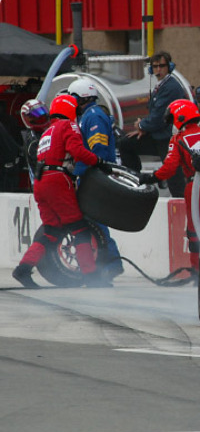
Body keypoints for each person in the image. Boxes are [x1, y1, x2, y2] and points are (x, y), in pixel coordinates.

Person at [12, 95, 114, 288]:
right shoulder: (67, 125)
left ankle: (22, 270)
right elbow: (77, 151)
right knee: (80, 228)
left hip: (41, 184)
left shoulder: (47, 132)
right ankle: (92, 277)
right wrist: (98, 161)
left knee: (51, 230)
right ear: (70, 110)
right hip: (57, 180)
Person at [138, 99, 200, 272]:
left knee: (194, 230)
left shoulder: (178, 139)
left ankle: (198, 271)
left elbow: (169, 168)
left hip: (196, 188)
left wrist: (151, 177)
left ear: (180, 118)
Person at [67, 78, 125, 282]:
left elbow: (97, 150)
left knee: (96, 222)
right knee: (93, 221)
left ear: (80, 97)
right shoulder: (89, 115)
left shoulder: (93, 116)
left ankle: (112, 264)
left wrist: (78, 171)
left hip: (96, 175)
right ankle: (108, 264)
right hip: (93, 173)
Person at [119, 51, 187, 197]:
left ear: (169, 67)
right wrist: (144, 129)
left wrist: (141, 125)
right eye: (155, 66)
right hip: (157, 135)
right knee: (125, 144)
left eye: (161, 66)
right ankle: (135, 182)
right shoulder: (161, 86)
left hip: (167, 138)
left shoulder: (170, 87)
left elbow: (158, 118)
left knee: (173, 174)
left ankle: (181, 200)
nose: (158, 70)